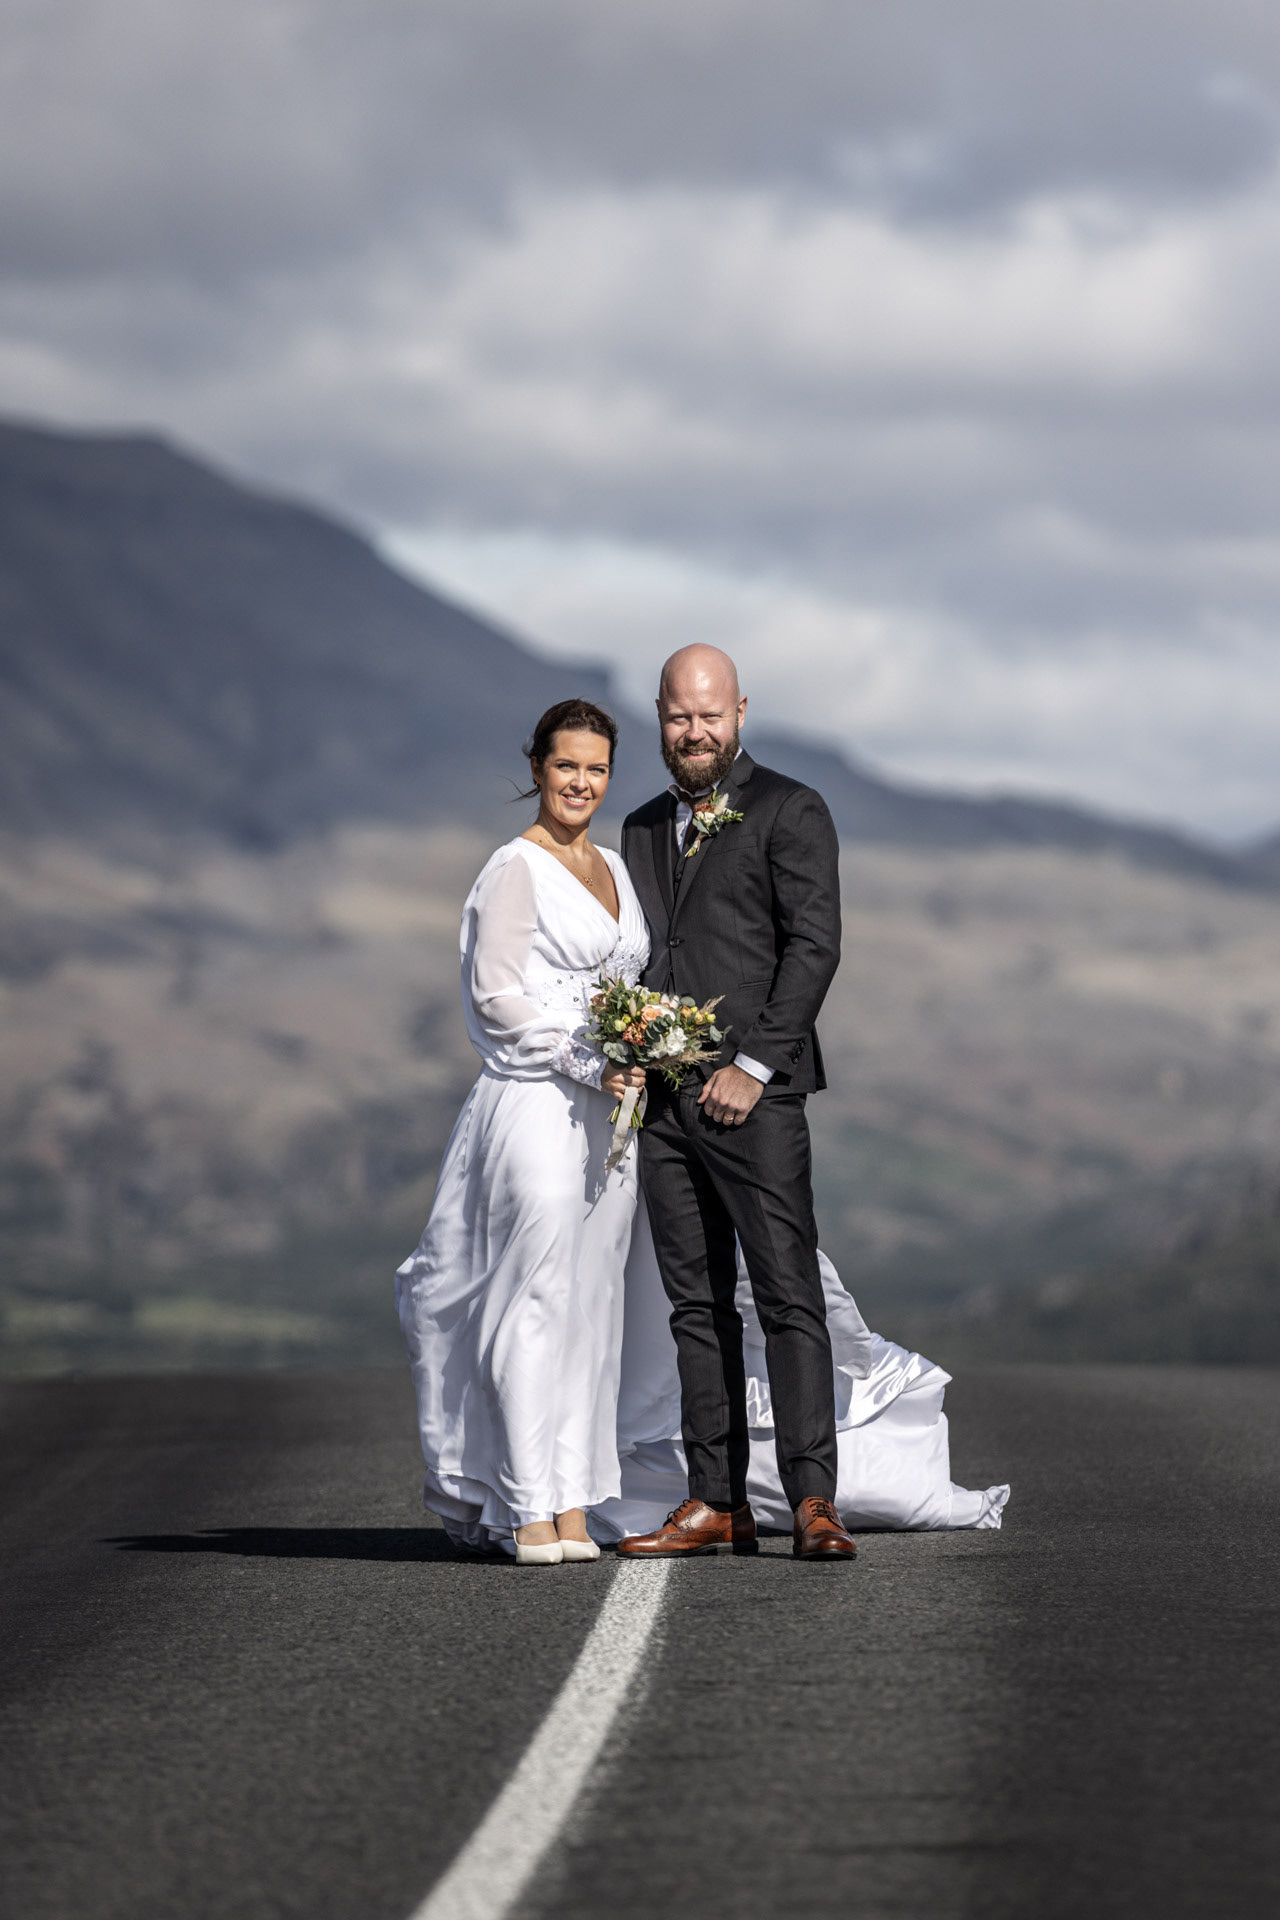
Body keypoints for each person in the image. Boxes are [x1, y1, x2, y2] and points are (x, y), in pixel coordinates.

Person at [617, 643, 858, 1559]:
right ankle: (713, 1499)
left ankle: (813, 1501)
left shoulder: (793, 809)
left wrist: (752, 1066)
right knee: (695, 1306)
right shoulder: (640, 827)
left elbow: (814, 947)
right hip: (664, 1108)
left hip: (758, 1101)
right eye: (680, 716)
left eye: (710, 716)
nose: (695, 732)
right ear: (659, 716)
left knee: (788, 1296)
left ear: (741, 713)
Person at [395, 698, 648, 1565]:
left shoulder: (616, 867)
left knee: (590, 1306)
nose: (581, 782)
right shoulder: (514, 867)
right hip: (538, 1101)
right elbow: (497, 996)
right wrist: (586, 1059)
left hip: (610, 1122)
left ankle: (572, 1501)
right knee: (532, 1297)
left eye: (597, 768)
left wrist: (642, 1049)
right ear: (537, 767)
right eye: (566, 765)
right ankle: (523, 1504)